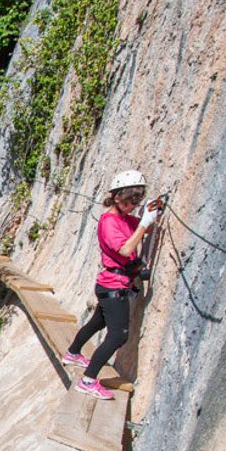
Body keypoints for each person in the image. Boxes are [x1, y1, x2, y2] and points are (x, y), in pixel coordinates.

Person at [61, 169, 163, 400]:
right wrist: (143, 224)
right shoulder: (109, 223)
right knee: (118, 336)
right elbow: (126, 249)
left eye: (137, 201)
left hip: (111, 284)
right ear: (117, 197)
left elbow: (144, 228)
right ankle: (88, 380)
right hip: (113, 287)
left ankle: (73, 353)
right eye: (130, 201)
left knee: (98, 322)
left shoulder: (125, 219)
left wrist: (150, 214)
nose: (133, 206)